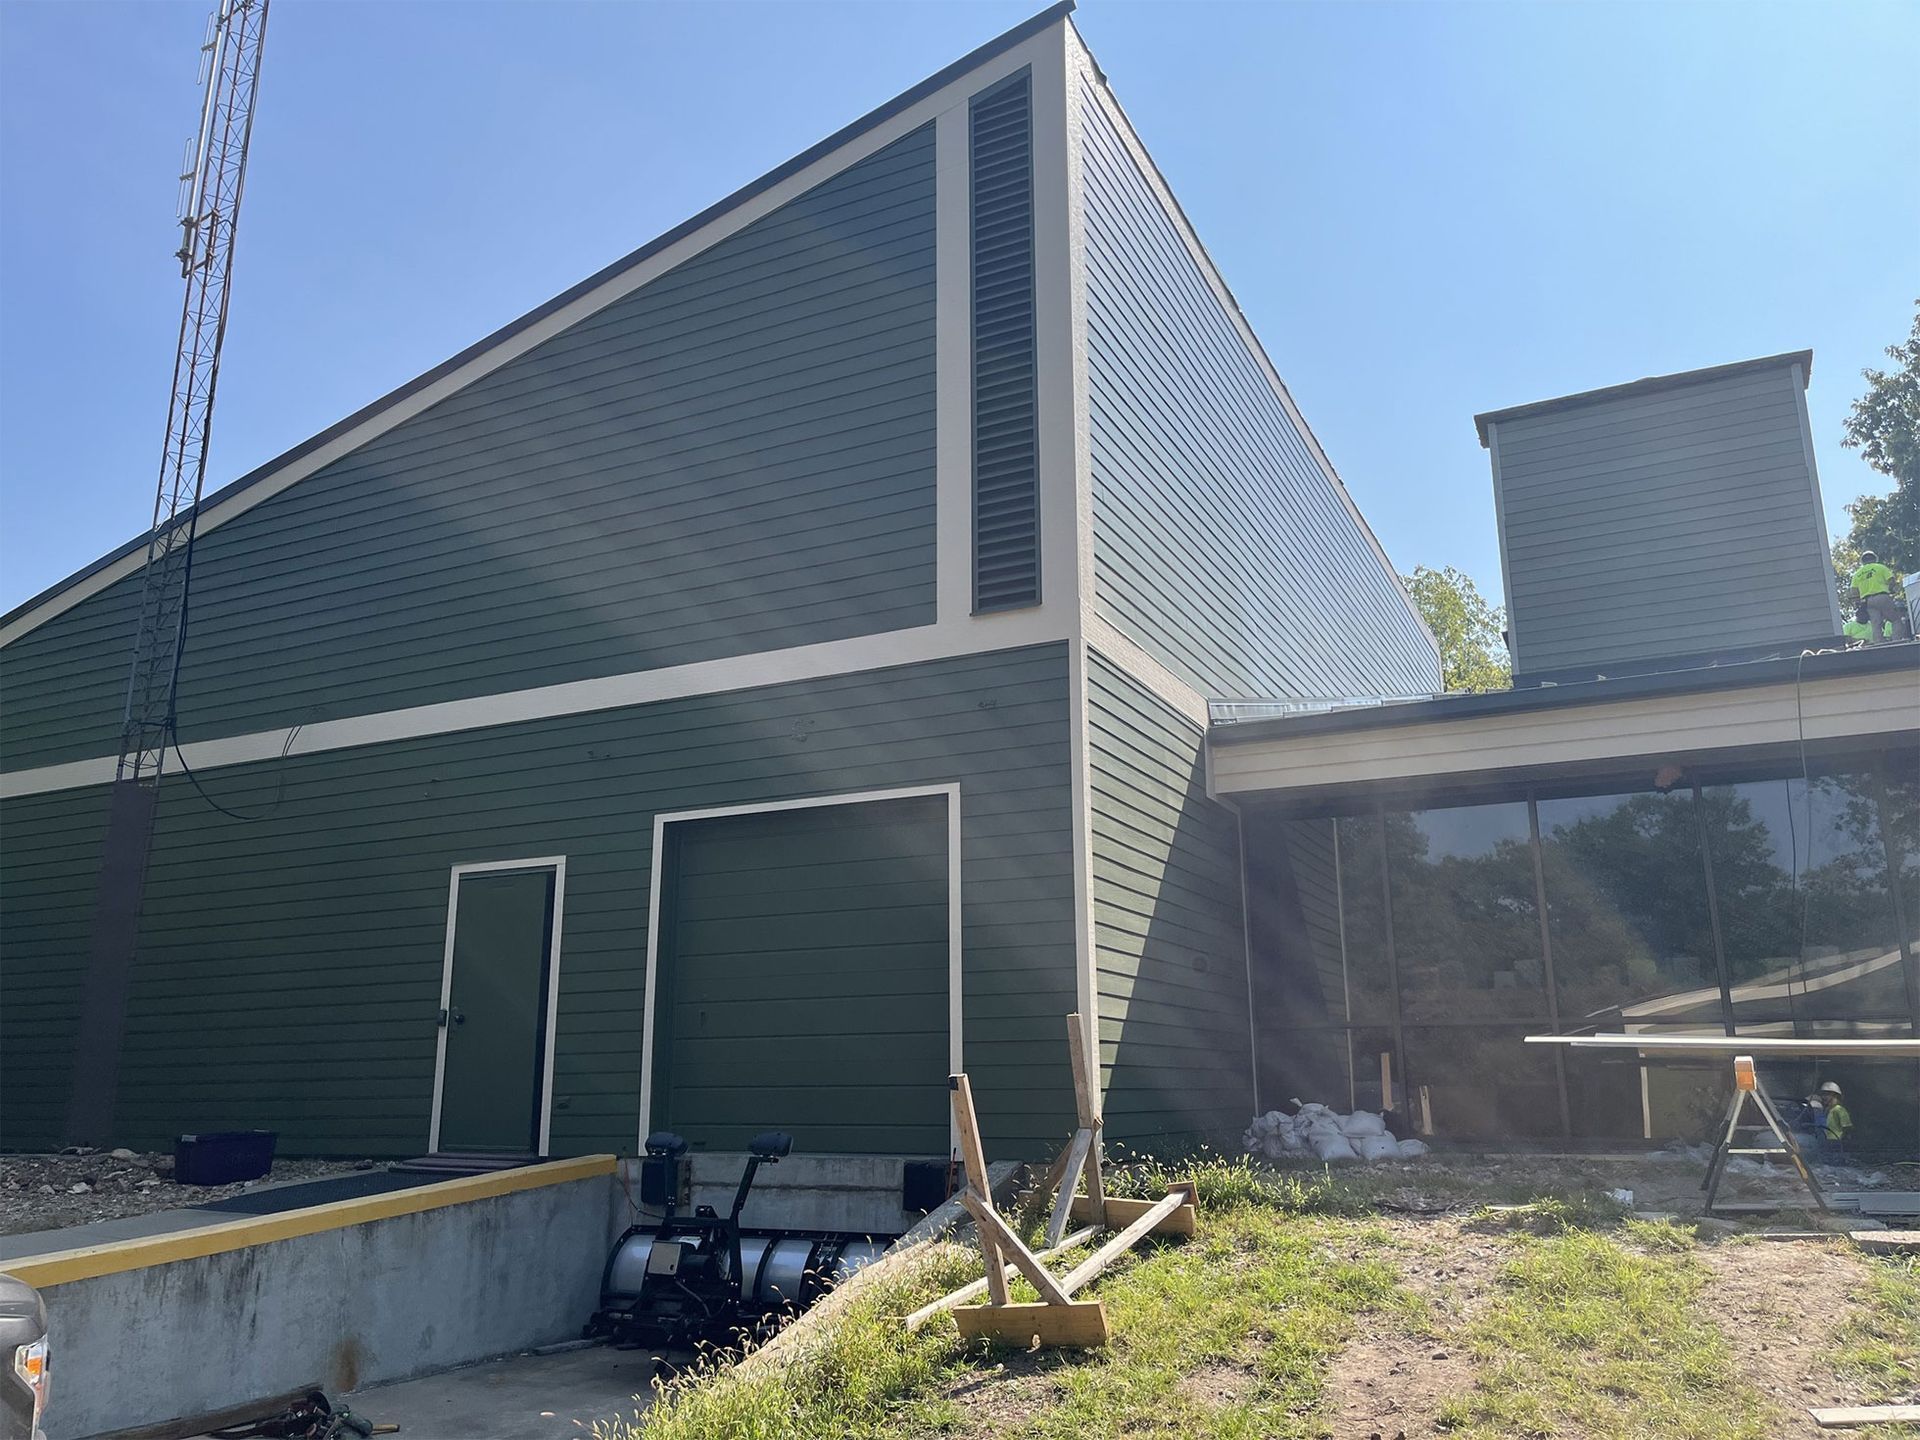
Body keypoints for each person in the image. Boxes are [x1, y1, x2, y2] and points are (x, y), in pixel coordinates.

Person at [1849, 552, 1902, 644]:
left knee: (1875, 624)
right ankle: (1896, 641)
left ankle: (1879, 643)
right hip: (1882, 597)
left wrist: (1857, 602)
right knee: (1895, 619)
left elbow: (1853, 591)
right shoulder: (1880, 567)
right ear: (1875, 559)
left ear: (1863, 561)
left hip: (1868, 601)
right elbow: (1891, 581)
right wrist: (1891, 590)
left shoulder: (1857, 574)